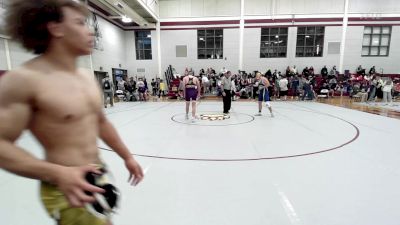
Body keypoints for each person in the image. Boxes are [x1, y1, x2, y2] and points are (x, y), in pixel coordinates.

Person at [0, 1, 144, 225]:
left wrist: (127, 157)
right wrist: (57, 173)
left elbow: (100, 122)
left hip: (97, 175)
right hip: (65, 186)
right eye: (79, 23)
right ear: (55, 28)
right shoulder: (24, 80)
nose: (90, 31)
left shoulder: (86, 77)